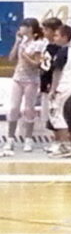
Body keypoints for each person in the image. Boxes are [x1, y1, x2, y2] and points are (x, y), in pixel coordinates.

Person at [2, 18, 46, 157]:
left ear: (31, 28)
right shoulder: (22, 42)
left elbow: (37, 64)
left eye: (24, 26)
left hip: (31, 80)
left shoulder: (38, 44)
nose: (21, 28)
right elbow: (11, 58)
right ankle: (10, 138)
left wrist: (26, 56)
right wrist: (17, 43)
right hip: (17, 78)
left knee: (28, 109)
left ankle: (28, 139)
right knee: (14, 108)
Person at [48, 25, 71, 159]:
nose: (54, 38)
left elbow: (57, 71)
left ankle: (65, 147)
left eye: (56, 35)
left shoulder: (63, 52)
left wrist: (53, 89)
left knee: (59, 118)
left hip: (63, 90)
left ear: (65, 37)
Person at [38, 16, 63, 137]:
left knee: (55, 114)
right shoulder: (47, 47)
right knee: (48, 115)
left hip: (52, 86)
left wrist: (52, 86)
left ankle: (60, 141)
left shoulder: (58, 49)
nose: (44, 32)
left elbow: (54, 69)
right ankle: (55, 140)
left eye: (46, 30)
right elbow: (44, 66)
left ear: (54, 31)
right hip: (45, 84)